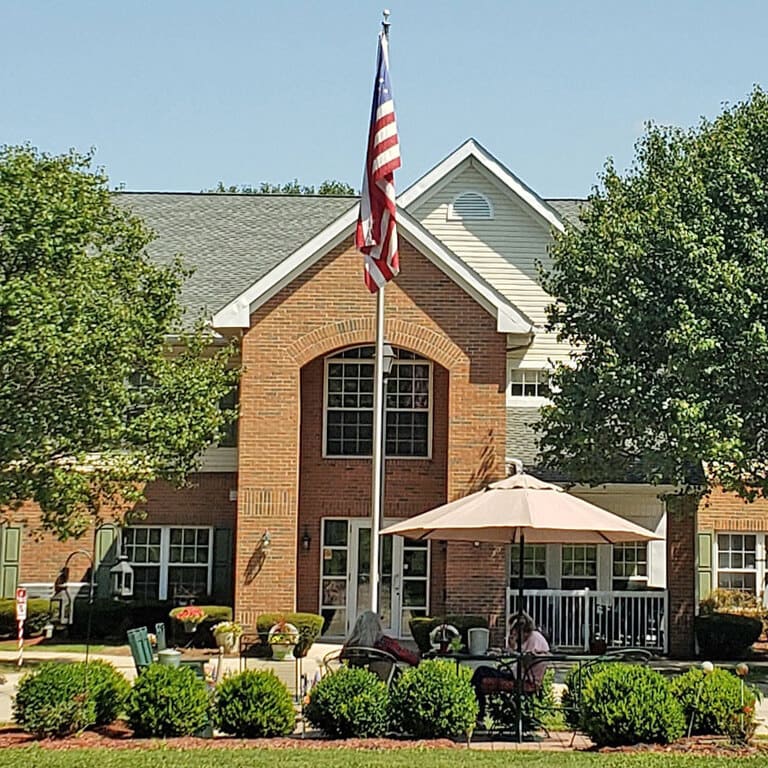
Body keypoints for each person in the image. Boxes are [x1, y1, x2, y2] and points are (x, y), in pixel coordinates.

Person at [470, 612, 550, 719]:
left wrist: (513, 651)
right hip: (520, 675)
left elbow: (525, 659)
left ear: (523, 631)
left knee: (480, 673)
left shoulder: (534, 639)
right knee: (481, 674)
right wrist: (511, 649)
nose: (515, 637)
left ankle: (478, 715)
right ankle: (479, 713)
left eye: (516, 633)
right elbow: (521, 655)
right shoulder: (532, 638)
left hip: (523, 680)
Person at [343, 610, 420, 667]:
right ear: (377, 625)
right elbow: (407, 656)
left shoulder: (350, 645)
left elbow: (342, 659)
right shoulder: (385, 643)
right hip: (383, 680)